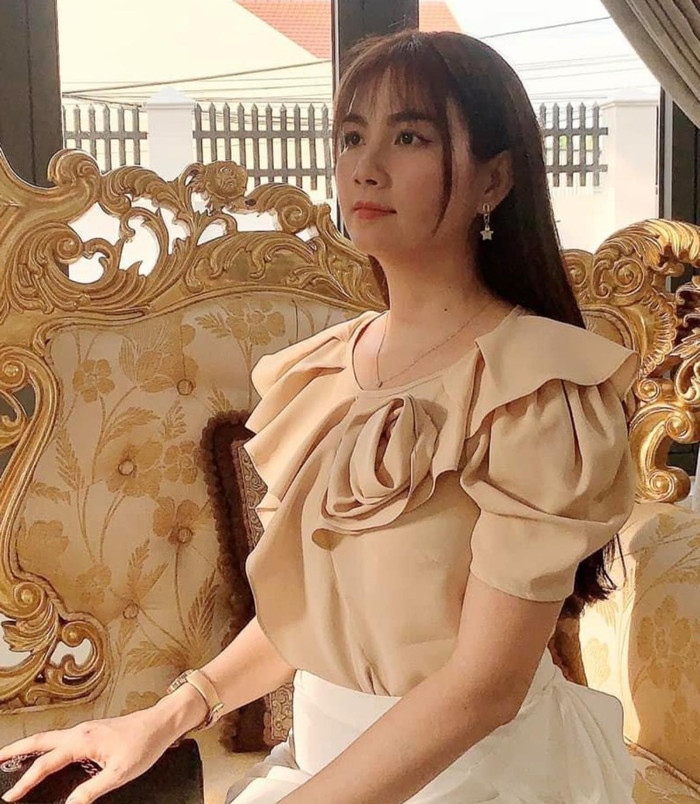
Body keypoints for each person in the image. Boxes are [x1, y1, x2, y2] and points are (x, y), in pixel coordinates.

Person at [0, 28, 640, 804]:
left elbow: (483, 691)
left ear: (493, 180)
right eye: (351, 136)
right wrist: (163, 718)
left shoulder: (537, 387)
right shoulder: (324, 373)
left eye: (409, 136)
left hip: (479, 775)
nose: (365, 166)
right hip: (325, 765)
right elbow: (309, 615)